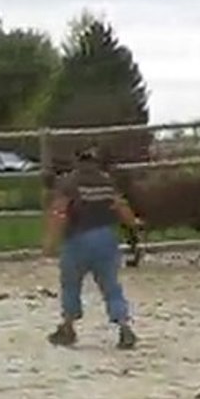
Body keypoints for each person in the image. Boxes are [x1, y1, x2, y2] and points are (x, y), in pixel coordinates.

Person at [42, 146, 142, 349]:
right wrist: (134, 224)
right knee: (111, 285)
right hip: (106, 238)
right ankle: (124, 327)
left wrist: (51, 241)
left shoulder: (69, 183)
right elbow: (121, 207)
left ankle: (68, 326)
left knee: (71, 283)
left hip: (78, 239)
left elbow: (59, 212)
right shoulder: (107, 182)